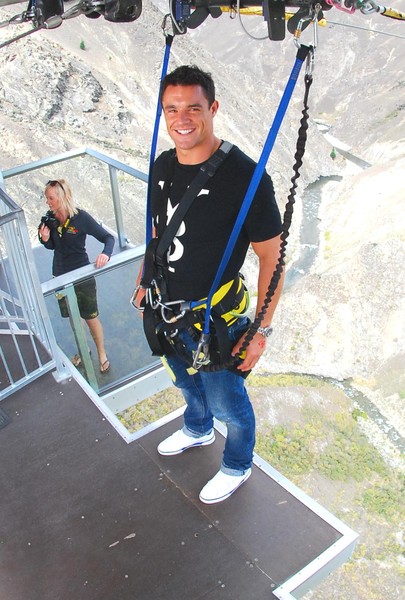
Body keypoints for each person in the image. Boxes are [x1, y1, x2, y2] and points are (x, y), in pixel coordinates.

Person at [136, 65, 284, 504]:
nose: (182, 119)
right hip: (167, 308)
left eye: (193, 108)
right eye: (172, 109)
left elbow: (271, 258)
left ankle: (237, 464)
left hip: (212, 318)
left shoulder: (246, 180)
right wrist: (147, 274)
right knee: (185, 383)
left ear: (213, 108)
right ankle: (198, 430)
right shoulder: (163, 166)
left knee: (228, 404)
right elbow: (159, 230)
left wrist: (259, 330)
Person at [39, 178, 115, 373]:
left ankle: (101, 353)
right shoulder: (50, 218)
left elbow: (108, 237)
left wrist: (105, 253)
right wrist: (45, 239)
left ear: (63, 197)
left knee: (90, 317)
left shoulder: (81, 218)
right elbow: (52, 246)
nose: (48, 202)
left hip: (81, 275)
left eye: (51, 198)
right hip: (60, 276)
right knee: (74, 318)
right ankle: (84, 350)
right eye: (47, 198)